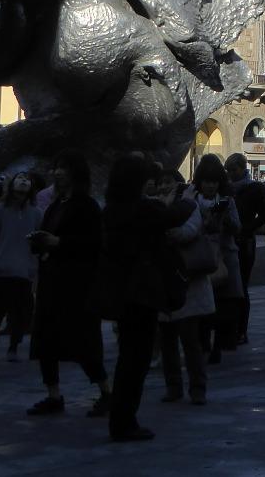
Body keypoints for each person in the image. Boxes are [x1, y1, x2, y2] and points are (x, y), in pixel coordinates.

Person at [26, 151, 111, 418]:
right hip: (52, 283)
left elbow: (94, 244)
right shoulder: (54, 206)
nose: (58, 172)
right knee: (46, 341)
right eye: (56, 167)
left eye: (64, 167)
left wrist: (59, 243)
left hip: (77, 287)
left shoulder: (86, 206)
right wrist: (40, 242)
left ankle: (106, 392)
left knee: (84, 342)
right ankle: (53, 394)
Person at [98, 154, 171, 442]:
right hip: (142, 293)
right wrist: (165, 204)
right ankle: (125, 421)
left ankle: (121, 417)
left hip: (121, 292)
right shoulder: (144, 211)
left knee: (126, 357)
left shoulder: (111, 210)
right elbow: (169, 220)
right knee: (136, 359)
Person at [157, 170, 215, 405]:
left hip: (188, 281)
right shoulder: (157, 207)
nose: (163, 188)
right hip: (164, 283)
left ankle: (197, 387)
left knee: (190, 340)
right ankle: (173, 386)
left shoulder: (189, 206)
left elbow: (188, 231)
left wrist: (170, 230)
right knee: (167, 341)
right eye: (160, 184)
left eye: (168, 184)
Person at [0, 172, 42, 361]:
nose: (23, 181)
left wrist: (34, 261)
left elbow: (40, 238)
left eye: (27, 179)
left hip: (24, 270)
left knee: (21, 311)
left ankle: (14, 347)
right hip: (2, 270)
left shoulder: (36, 213)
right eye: (20, 177)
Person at [191, 155, 243, 363]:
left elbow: (237, 227)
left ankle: (219, 343)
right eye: (207, 181)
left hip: (224, 255)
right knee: (202, 303)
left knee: (223, 303)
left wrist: (224, 219)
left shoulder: (226, 201)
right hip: (201, 257)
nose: (211, 186)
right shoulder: (192, 201)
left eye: (214, 182)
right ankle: (204, 341)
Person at [226, 153, 265, 346]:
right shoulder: (227, 188)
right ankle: (228, 327)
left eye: (233, 170)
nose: (230, 174)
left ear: (242, 169)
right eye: (228, 170)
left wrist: (249, 227)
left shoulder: (254, 189)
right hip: (229, 239)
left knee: (241, 285)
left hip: (245, 241)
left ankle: (241, 329)